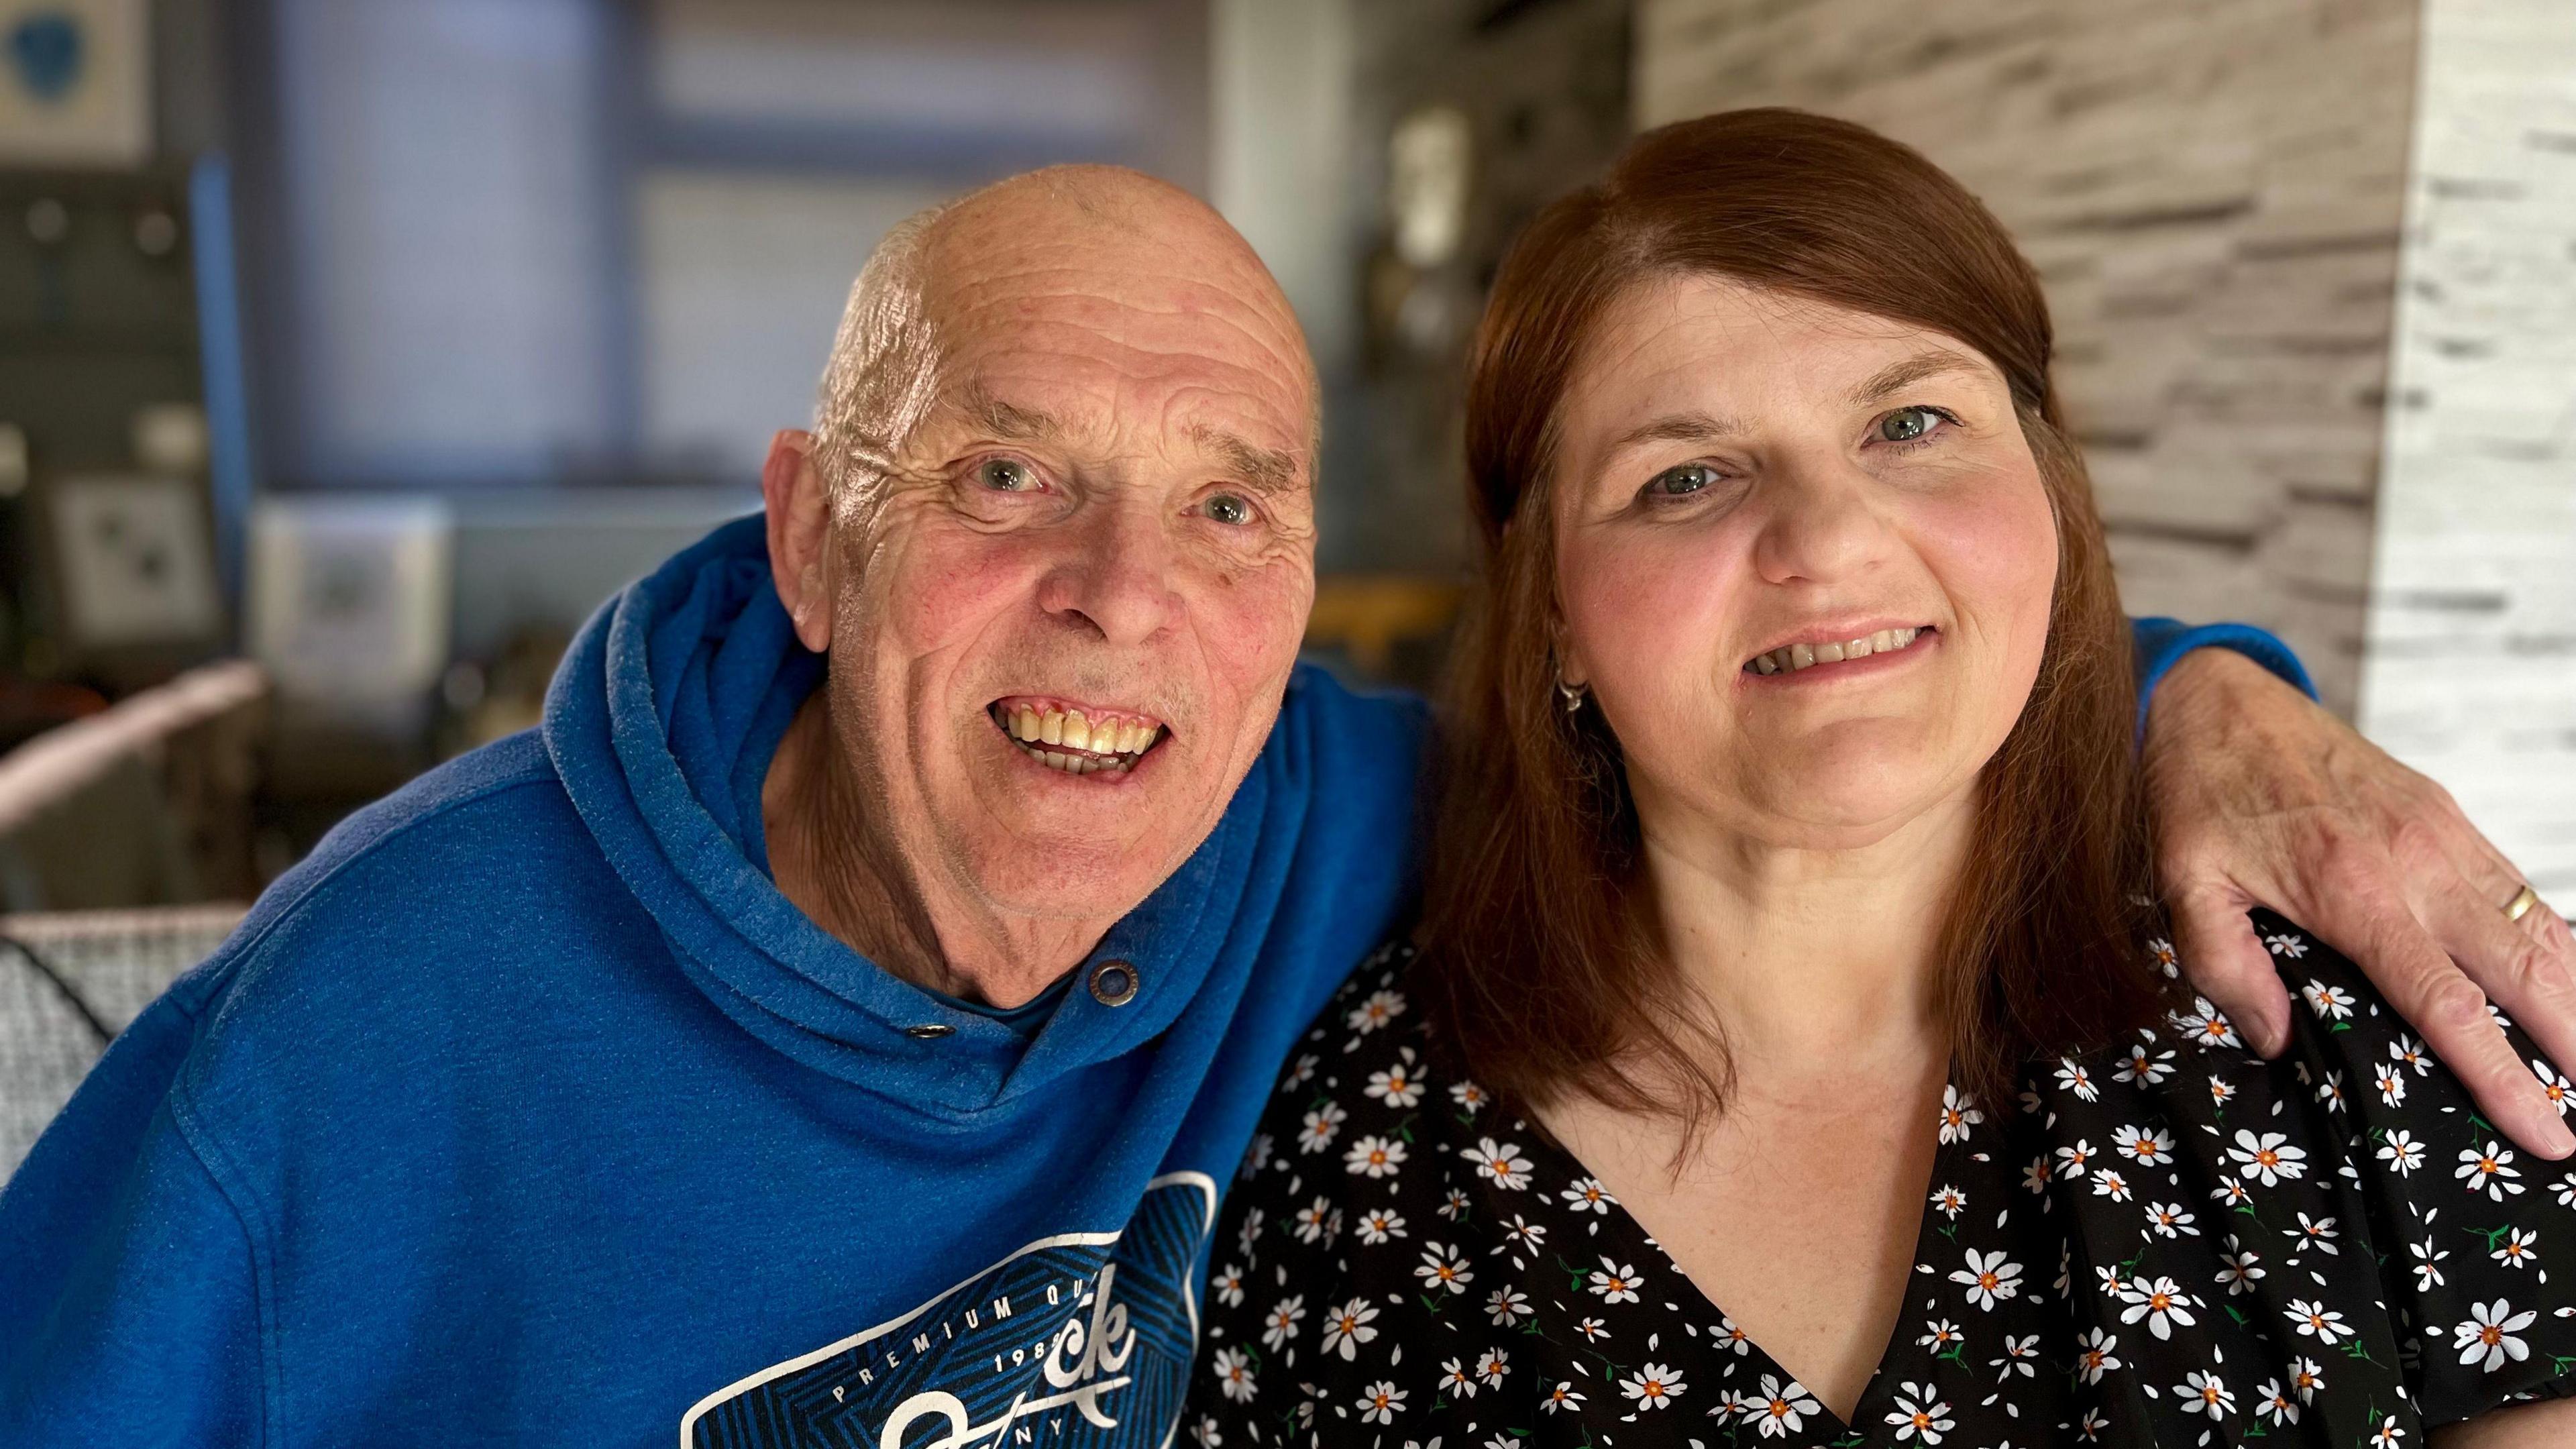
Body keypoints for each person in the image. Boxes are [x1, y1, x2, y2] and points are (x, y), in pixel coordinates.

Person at [0, 165, 2561, 1449]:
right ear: (812, 531)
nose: (1132, 602)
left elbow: (1819, 705)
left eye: (1233, 502)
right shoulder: (351, 1037)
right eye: (1010, 478)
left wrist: (2203, 704)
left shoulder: (1350, 826)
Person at [1190, 112, 2576, 1448]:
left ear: (2048, 490)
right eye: (1685, 477)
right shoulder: (1357, 1151)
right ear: (1550, 605)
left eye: (1910, 424)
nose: (1828, 536)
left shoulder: (2352, 1025)